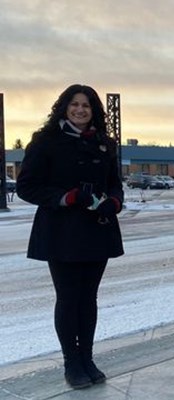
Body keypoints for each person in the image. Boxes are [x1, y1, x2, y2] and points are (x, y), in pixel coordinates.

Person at [16, 84, 124, 389]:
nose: (80, 110)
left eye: (86, 105)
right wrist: (67, 197)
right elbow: (27, 186)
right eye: (74, 104)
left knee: (89, 298)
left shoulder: (105, 143)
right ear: (64, 107)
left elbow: (115, 183)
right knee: (68, 297)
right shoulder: (46, 142)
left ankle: (87, 358)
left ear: (94, 111)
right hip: (60, 232)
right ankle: (71, 362)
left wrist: (114, 201)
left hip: (97, 229)